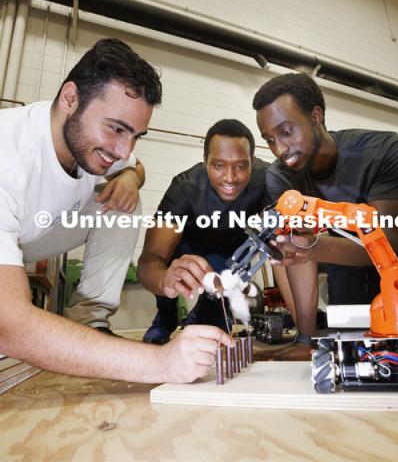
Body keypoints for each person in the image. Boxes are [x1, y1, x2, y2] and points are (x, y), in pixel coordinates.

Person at [0, 38, 232, 384]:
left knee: (124, 199)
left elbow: (135, 167)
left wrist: (131, 178)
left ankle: (90, 321)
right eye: (116, 129)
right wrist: (161, 362)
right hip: (16, 234)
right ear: (70, 98)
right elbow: (9, 324)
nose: (124, 149)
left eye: (136, 135)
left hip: (27, 233)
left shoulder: (96, 143)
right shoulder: (9, 155)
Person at [252, 73, 398, 359]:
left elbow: (387, 240)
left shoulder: (382, 150)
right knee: (351, 338)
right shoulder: (279, 176)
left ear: (316, 115)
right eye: (269, 139)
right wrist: (305, 339)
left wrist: (311, 247)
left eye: (286, 132)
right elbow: (300, 252)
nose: (279, 149)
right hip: (342, 248)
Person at [138, 119, 274, 344]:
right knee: (169, 262)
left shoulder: (268, 181)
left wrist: (304, 334)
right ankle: (166, 316)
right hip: (189, 250)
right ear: (205, 162)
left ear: (253, 160)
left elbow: (285, 243)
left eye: (241, 166)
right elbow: (150, 260)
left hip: (232, 257)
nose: (230, 178)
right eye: (219, 165)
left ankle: (204, 313)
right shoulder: (185, 188)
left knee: (207, 331)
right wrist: (164, 280)